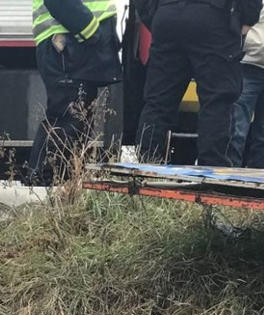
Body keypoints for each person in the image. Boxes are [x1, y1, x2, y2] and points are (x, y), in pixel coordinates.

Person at [137, 0, 261, 166]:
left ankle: (146, 168)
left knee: (158, 101)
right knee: (216, 100)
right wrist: (246, 21)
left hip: (167, 16)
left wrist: (157, 15)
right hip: (214, 19)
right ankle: (211, 172)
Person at [26, 0, 121, 186]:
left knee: (78, 118)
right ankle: (43, 184)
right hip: (69, 41)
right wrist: (91, 30)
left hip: (74, 41)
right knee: (68, 115)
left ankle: (60, 184)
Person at [229, 7, 264, 167]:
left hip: (248, 59)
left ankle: (258, 186)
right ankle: (227, 179)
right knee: (236, 130)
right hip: (247, 63)